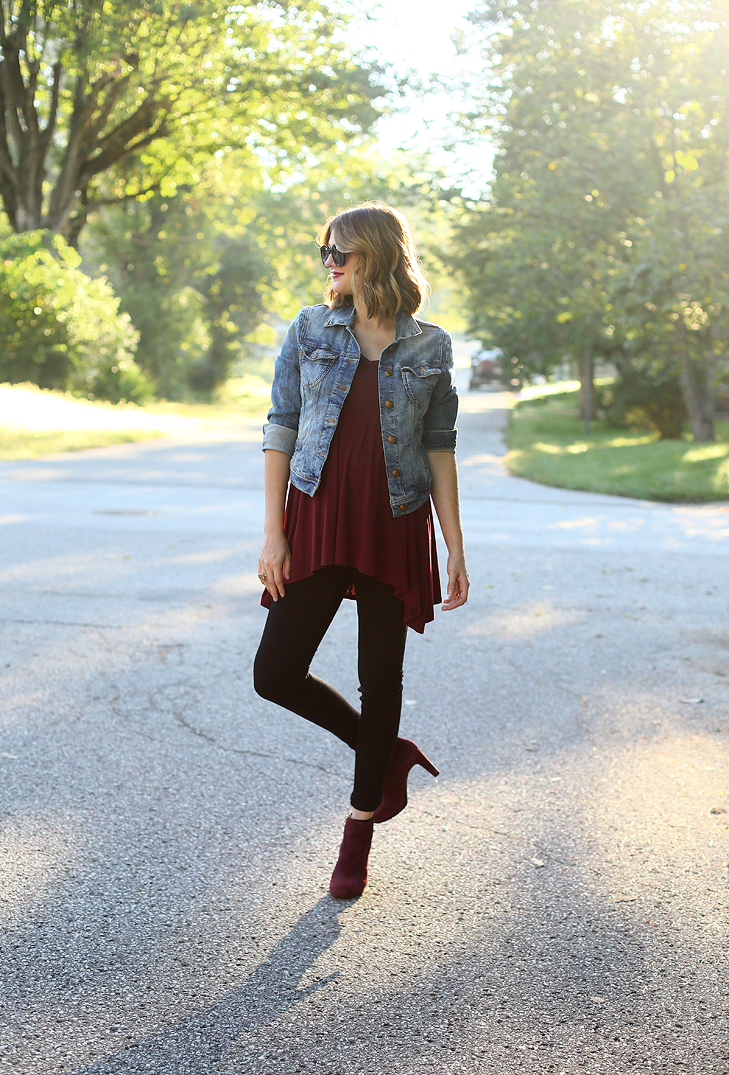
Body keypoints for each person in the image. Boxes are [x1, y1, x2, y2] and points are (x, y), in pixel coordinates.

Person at [253, 202, 469, 899]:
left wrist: (453, 546)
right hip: (315, 516)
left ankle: (358, 825)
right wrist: (272, 530)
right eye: (323, 251)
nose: (328, 262)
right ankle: (384, 754)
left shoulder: (429, 347)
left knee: (382, 679)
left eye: (338, 250)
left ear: (373, 253)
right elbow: (280, 424)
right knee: (275, 671)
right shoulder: (310, 328)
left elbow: (439, 450)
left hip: (395, 521)